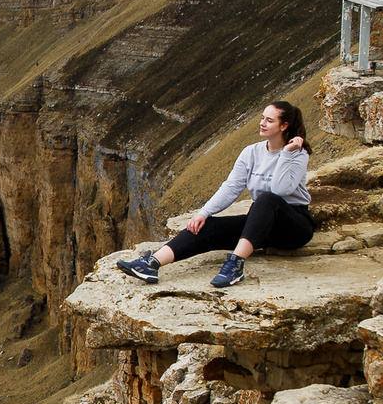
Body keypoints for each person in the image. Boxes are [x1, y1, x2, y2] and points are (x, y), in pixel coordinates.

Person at [115, 101, 312, 289]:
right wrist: (204, 212)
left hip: (293, 226)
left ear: (284, 125)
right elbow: (231, 187)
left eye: (270, 120)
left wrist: (286, 153)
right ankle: (152, 263)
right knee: (207, 227)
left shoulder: (298, 154)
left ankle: (235, 264)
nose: (262, 123)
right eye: (262, 118)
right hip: (260, 225)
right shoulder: (251, 152)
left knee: (268, 198)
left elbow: (280, 191)